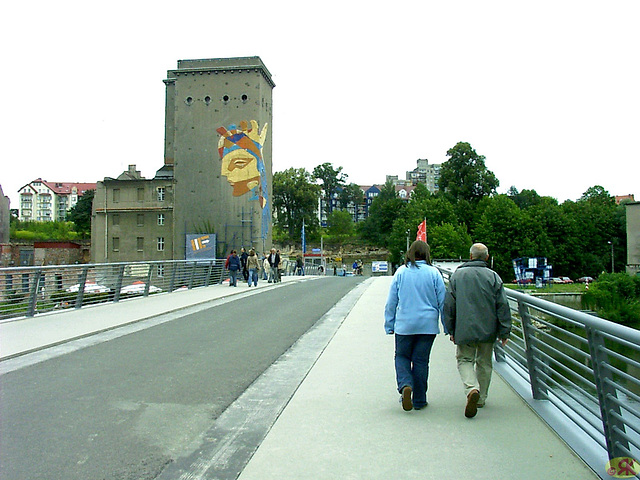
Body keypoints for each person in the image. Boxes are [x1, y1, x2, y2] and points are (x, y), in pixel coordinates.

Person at [443, 243, 512, 418]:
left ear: (470, 256)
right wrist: (505, 331)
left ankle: (471, 388)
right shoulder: (493, 277)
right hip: (488, 328)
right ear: (487, 258)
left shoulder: (458, 275)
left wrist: (450, 328)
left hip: (464, 328)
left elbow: (449, 305)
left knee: (465, 359)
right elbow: (502, 305)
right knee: (484, 362)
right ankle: (481, 397)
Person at [384, 240, 447, 411]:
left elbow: (391, 301)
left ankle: (405, 385)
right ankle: (419, 400)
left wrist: (389, 324)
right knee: (421, 361)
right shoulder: (434, 273)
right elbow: (443, 302)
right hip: (427, 325)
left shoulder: (401, 272)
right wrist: (447, 326)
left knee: (402, 356)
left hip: (405, 325)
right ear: (427, 254)